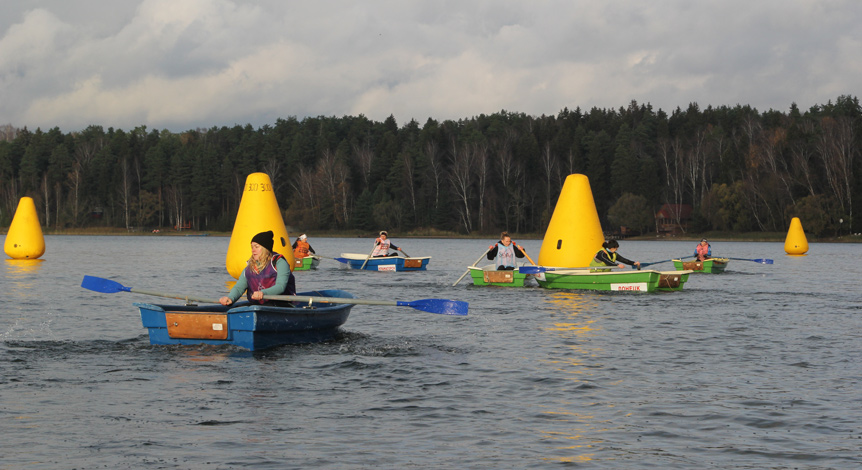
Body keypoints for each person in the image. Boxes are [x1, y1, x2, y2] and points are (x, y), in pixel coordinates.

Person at [220, 230, 296, 306]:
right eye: (252, 247)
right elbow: (239, 287)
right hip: (259, 306)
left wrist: (263, 293)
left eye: (256, 247)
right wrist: (230, 298)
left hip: (282, 305)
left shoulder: (279, 262)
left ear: (265, 248)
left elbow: (281, 286)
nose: (253, 250)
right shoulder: (250, 267)